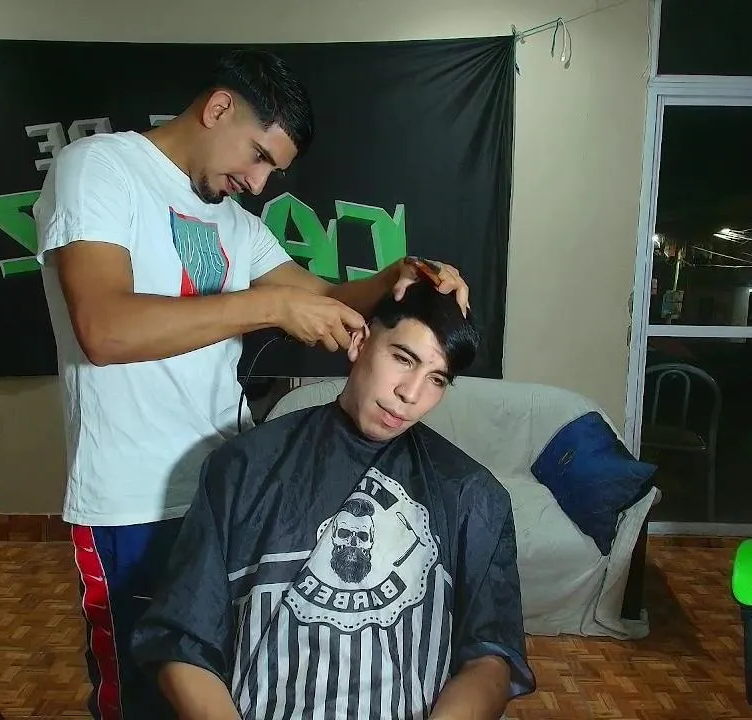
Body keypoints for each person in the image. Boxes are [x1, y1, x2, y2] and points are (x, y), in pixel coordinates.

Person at [33, 48, 472, 720]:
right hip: (133, 500)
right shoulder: (100, 169)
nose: (259, 182)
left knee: (219, 680)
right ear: (218, 108)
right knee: (144, 693)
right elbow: (105, 329)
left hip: (230, 493)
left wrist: (397, 277)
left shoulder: (236, 223)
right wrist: (267, 307)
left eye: (273, 170)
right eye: (259, 156)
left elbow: (325, 299)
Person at [132, 283, 536, 720]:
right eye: (403, 358)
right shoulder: (242, 468)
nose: (411, 393)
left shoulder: (472, 495)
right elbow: (183, 642)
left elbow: (491, 658)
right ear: (359, 342)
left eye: (436, 379)